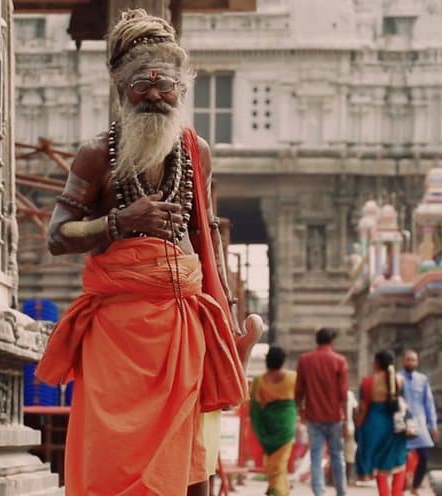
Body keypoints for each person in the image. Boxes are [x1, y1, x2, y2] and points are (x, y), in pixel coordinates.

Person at [34, 9, 260, 495]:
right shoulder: (96, 154)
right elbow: (57, 235)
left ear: (182, 87)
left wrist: (225, 315)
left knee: (188, 457)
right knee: (113, 457)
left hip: (181, 324)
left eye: (167, 85)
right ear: (120, 89)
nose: (155, 95)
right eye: (142, 85)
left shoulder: (196, 150)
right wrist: (120, 222)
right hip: (117, 332)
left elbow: (206, 236)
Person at [295, 328, 349, 496]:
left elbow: (299, 391)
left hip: (313, 416)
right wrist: (346, 419)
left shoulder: (305, 360)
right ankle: (341, 491)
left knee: (316, 456)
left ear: (317, 341)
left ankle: (319, 492)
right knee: (337, 456)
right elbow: (343, 393)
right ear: (332, 341)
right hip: (334, 416)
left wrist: (301, 411)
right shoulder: (340, 361)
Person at [355, 350, 408, 496]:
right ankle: (397, 493)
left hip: (374, 426)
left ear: (377, 363)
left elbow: (363, 407)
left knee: (379, 465)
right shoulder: (400, 380)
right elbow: (405, 404)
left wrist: (358, 426)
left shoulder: (367, 382)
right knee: (399, 461)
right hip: (397, 425)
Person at [250, 346, 298, 496]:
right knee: (278, 466)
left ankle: (277, 491)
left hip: (267, 426)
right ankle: (279, 491)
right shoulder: (293, 378)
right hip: (286, 426)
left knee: (273, 465)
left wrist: (260, 431)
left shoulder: (259, 381)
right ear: (283, 361)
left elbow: (255, 408)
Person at [399, 350, 439, 496]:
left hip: (420, 424)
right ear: (403, 361)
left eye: (414, 360)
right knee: (400, 458)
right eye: (408, 360)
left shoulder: (422, 379)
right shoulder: (397, 378)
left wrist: (433, 425)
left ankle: (415, 485)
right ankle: (401, 487)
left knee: (424, 456)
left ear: (417, 362)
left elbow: (429, 403)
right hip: (402, 424)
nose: (411, 363)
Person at [344, 390, 358, 486]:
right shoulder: (350, 393)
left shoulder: (330, 391)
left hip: (335, 427)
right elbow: (355, 410)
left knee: (336, 453)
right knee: (350, 455)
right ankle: (348, 479)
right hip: (349, 427)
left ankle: (334, 479)